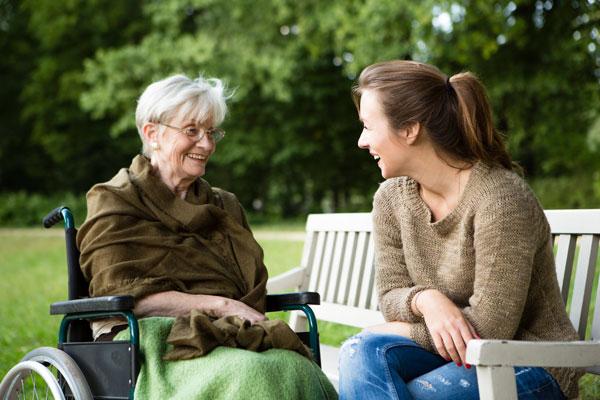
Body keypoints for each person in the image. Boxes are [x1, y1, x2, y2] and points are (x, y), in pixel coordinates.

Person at [77, 74, 336, 399]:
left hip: (230, 334)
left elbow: (249, 288)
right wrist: (220, 305)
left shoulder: (225, 206)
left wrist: (226, 314)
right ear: (152, 133)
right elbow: (123, 295)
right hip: (148, 340)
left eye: (211, 132)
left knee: (296, 367)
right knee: (252, 374)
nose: (207, 144)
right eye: (192, 131)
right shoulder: (115, 199)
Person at [337, 60, 583, 400]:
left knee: (418, 393)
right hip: (450, 354)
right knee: (360, 352)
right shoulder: (390, 200)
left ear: (409, 129)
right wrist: (428, 300)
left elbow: (490, 329)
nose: (362, 141)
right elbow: (391, 295)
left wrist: (397, 328)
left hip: (528, 360)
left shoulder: (500, 199)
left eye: (368, 126)